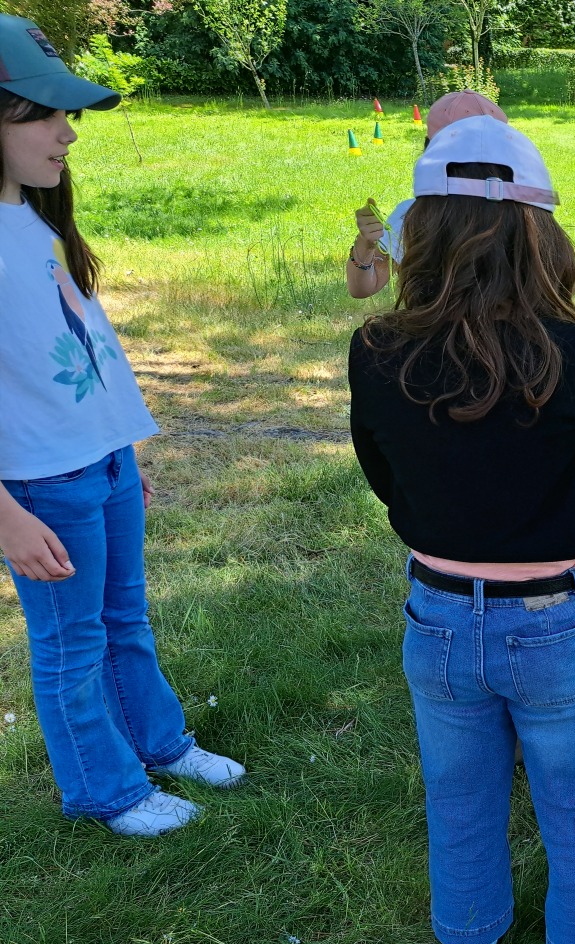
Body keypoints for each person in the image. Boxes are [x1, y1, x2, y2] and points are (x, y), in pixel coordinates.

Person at [347, 115, 575, 944]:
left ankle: (472, 937)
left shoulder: (376, 349)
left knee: (458, 790)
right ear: (542, 238)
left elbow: (386, 481)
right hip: (552, 623)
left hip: (437, 616)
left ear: (423, 232)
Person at [0, 17, 246, 837]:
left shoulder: (35, 219)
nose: (66, 133)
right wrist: (7, 517)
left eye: (66, 115)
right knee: (71, 645)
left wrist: (120, 450)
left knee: (124, 621)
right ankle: (105, 791)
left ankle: (159, 744)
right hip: (41, 484)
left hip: (99, 463)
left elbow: (76, 354)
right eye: (41, 114)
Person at [345, 91, 575, 301]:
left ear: (430, 150)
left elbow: (539, 297)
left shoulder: (521, 214)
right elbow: (362, 289)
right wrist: (366, 245)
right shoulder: (412, 216)